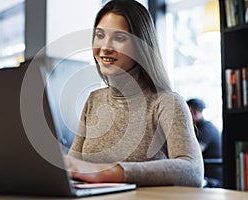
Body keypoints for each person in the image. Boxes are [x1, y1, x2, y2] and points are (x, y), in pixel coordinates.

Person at [65, 0, 203, 187]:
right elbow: (72, 166)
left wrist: (111, 172)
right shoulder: (94, 100)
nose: (105, 47)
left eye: (119, 38)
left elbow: (192, 171)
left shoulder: (166, 103)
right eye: (100, 35)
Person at [186, 98, 222, 187]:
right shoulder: (197, 128)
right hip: (204, 173)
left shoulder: (207, 128)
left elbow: (194, 152)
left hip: (212, 177)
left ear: (195, 112)